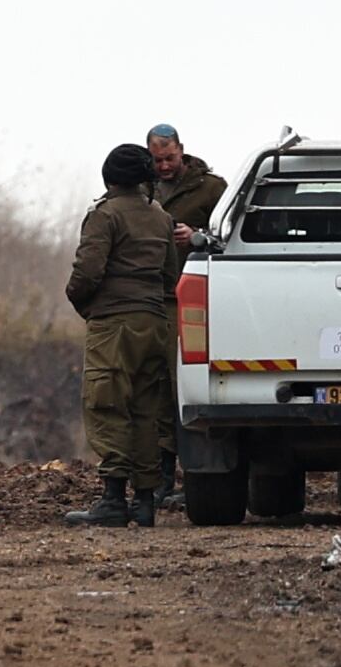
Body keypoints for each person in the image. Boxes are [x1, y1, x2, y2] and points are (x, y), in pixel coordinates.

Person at [62, 142, 179, 528]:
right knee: (146, 411)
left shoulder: (105, 215)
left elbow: (87, 272)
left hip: (114, 325)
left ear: (109, 178)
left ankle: (113, 499)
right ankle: (144, 501)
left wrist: (83, 304)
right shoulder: (161, 217)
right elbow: (170, 276)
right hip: (153, 323)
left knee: (107, 404)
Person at [142, 127, 226, 515]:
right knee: (156, 388)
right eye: (157, 160)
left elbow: (228, 236)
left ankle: (195, 479)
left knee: (185, 390)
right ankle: (160, 478)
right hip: (152, 297)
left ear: (182, 152)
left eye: (169, 158)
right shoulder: (142, 190)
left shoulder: (211, 188)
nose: (163, 166)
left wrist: (196, 236)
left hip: (191, 299)